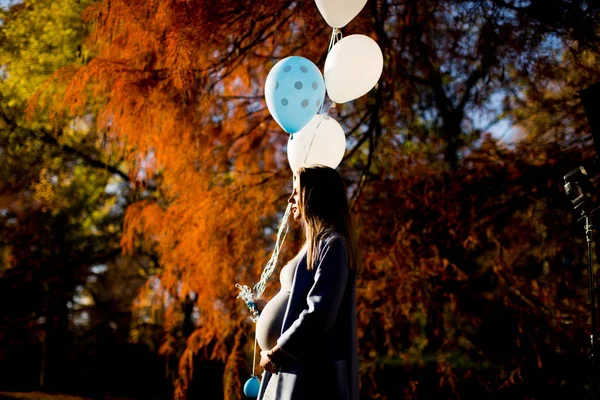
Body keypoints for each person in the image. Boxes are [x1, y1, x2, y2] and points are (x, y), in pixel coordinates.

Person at [254, 165, 360, 400]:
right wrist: (265, 310)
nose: (291, 198)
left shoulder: (333, 245)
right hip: (290, 368)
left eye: (296, 191)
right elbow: (298, 302)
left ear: (314, 195)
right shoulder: (315, 245)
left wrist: (276, 354)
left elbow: (320, 313)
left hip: (307, 373)